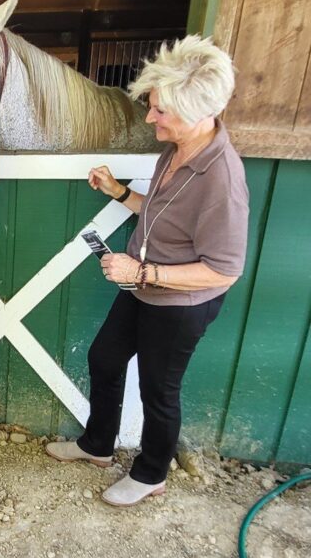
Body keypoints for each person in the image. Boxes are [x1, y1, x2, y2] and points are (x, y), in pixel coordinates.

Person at [45, 35, 249, 507]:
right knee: (104, 357)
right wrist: (118, 191)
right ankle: (97, 446)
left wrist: (144, 273)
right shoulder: (173, 152)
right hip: (143, 288)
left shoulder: (222, 180)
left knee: (159, 390)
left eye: (161, 110)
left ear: (197, 114)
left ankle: (151, 473)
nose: (150, 117)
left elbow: (224, 271)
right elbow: (159, 214)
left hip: (179, 304)